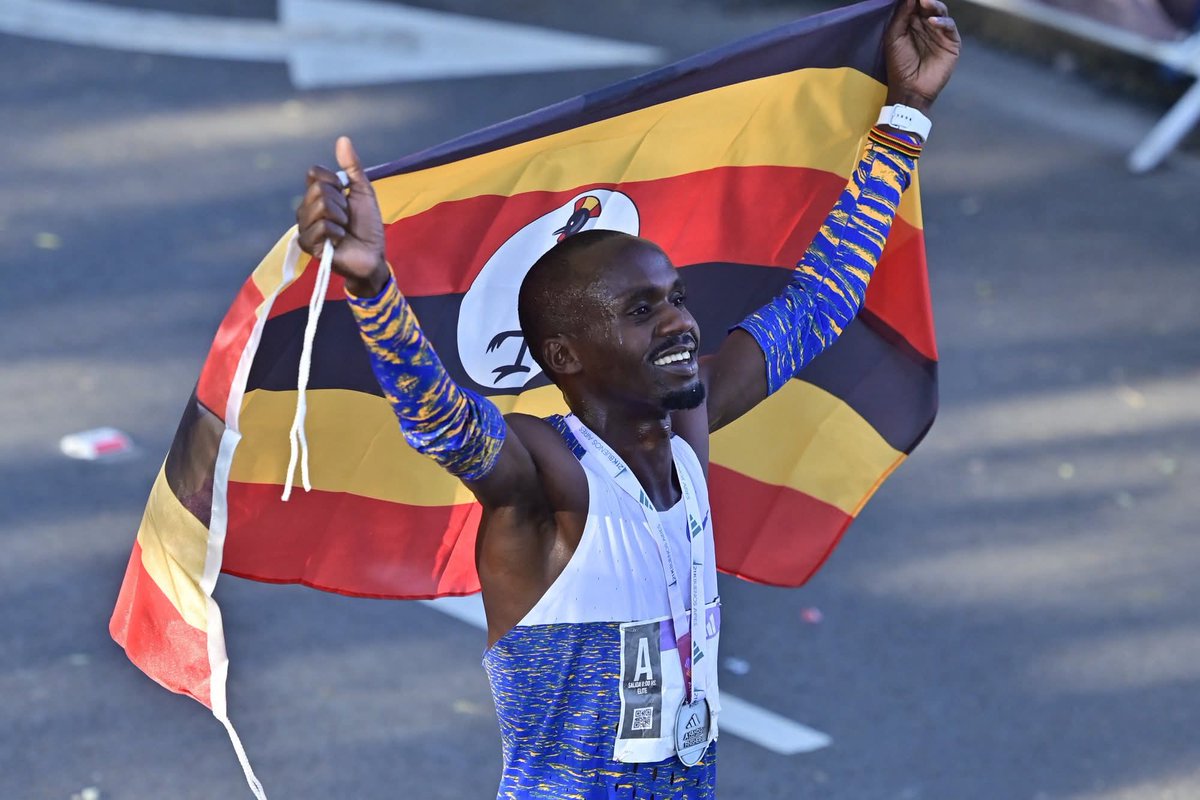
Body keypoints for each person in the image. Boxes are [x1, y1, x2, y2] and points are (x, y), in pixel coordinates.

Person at [294, 1, 960, 796]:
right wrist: (370, 284)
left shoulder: (688, 426)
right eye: (642, 311)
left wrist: (905, 116)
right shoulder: (549, 481)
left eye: (676, 297)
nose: (681, 320)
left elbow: (820, 300)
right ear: (564, 356)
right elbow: (443, 424)